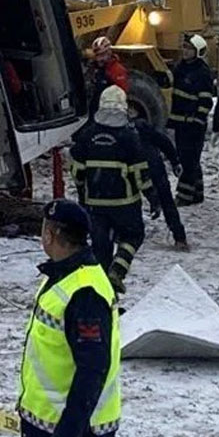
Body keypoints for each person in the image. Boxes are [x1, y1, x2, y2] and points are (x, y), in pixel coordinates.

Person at [19, 199, 120, 437]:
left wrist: (68, 434)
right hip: (48, 430)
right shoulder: (60, 277)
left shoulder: (85, 293)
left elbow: (93, 368)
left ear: (52, 234)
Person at [70, 86, 150, 293]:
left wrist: (82, 193)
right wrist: (153, 197)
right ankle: (118, 271)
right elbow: (140, 172)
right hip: (125, 203)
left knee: (100, 249)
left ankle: (102, 295)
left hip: (95, 204)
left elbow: (77, 170)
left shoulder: (87, 135)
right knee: (133, 236)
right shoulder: (129, 137)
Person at [131, 108, 189, 250]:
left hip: (136, 170)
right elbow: (163, 141)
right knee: (167, 201)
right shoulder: (141, 125)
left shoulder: (117, 133)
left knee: (130, 201)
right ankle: (180, 238)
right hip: (154, 165)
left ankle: (129, 235)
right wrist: (175, 161)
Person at [168, 34, 215, 206]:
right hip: (181, 122)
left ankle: (184, 195)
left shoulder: (202, 72)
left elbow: (206, 100)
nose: (185, 51)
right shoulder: (181, 67)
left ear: (198, 51)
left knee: (189, 159)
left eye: (189, 48)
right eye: (184, 47)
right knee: (190, 158)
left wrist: (198, 119)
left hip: (193, 123)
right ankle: (197, 192)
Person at [87, 37, 130, 116]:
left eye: (102, 55)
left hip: (110, 110)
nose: (99, 59)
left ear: (109, 52)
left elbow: (121, 94)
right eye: (97, 55)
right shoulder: (95, 68)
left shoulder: (117, 70)